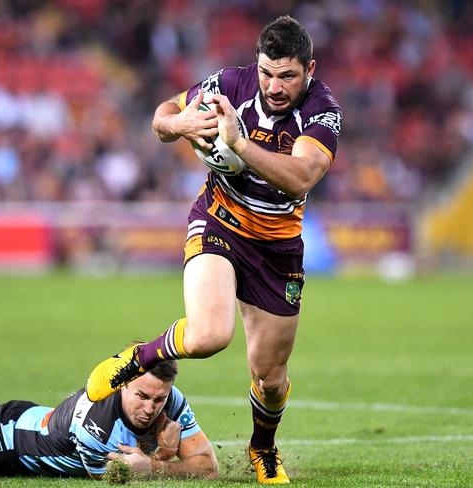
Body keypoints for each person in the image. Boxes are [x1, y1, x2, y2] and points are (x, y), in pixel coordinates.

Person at [86, 15, 342, 484]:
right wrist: (179, 123)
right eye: (267, 72)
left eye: (287, 75)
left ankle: (262, 448)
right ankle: (135, 359)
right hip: (219, 220)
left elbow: (301, 176)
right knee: (209, 335)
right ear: (256, 64)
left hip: (278, 247)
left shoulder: (323, 111)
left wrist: (239, 143)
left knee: (270, 376)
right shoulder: (229, 83)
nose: (274, 85)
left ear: (309, 70)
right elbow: (162, 116)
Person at [0, 337, 218, 480]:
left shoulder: (171, 398)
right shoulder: (96, 422)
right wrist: (161, 455)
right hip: (6, 439)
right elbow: (116, 478)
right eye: (142, 396)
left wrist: (154, 461)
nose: (151, 408)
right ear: (122, 382)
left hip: (30, 417)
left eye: (159, 400)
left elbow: (208, 469)